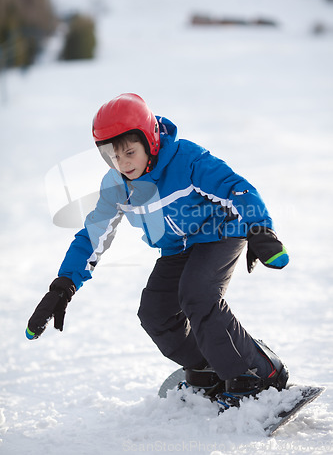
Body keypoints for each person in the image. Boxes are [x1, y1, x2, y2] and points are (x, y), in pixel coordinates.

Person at [26, 93, 289, 408]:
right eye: (113, 156)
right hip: (176, 247)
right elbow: (91, 235)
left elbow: (237, 188)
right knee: (155, 312)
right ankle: (208, 367)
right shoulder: (117, 185)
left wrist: (258, 228)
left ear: (150, 141)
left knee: (198, 294)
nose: (123, 164)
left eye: (130, 152)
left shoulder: (186, 159)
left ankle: (258, 373)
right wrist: (64, 284)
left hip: (220, 233)